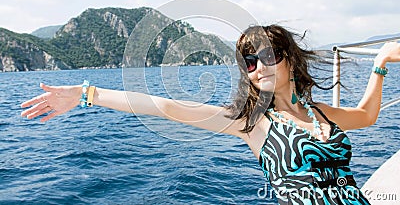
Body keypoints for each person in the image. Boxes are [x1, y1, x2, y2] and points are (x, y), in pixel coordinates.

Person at [21, 25, 400, 204]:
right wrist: (88, 93)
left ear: (288, 58)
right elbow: (169, 108)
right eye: (249, 62)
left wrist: (380, 62)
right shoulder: (252, 123)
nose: (258, 67)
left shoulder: (319, 113)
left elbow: (366, 116)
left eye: (267, 55)